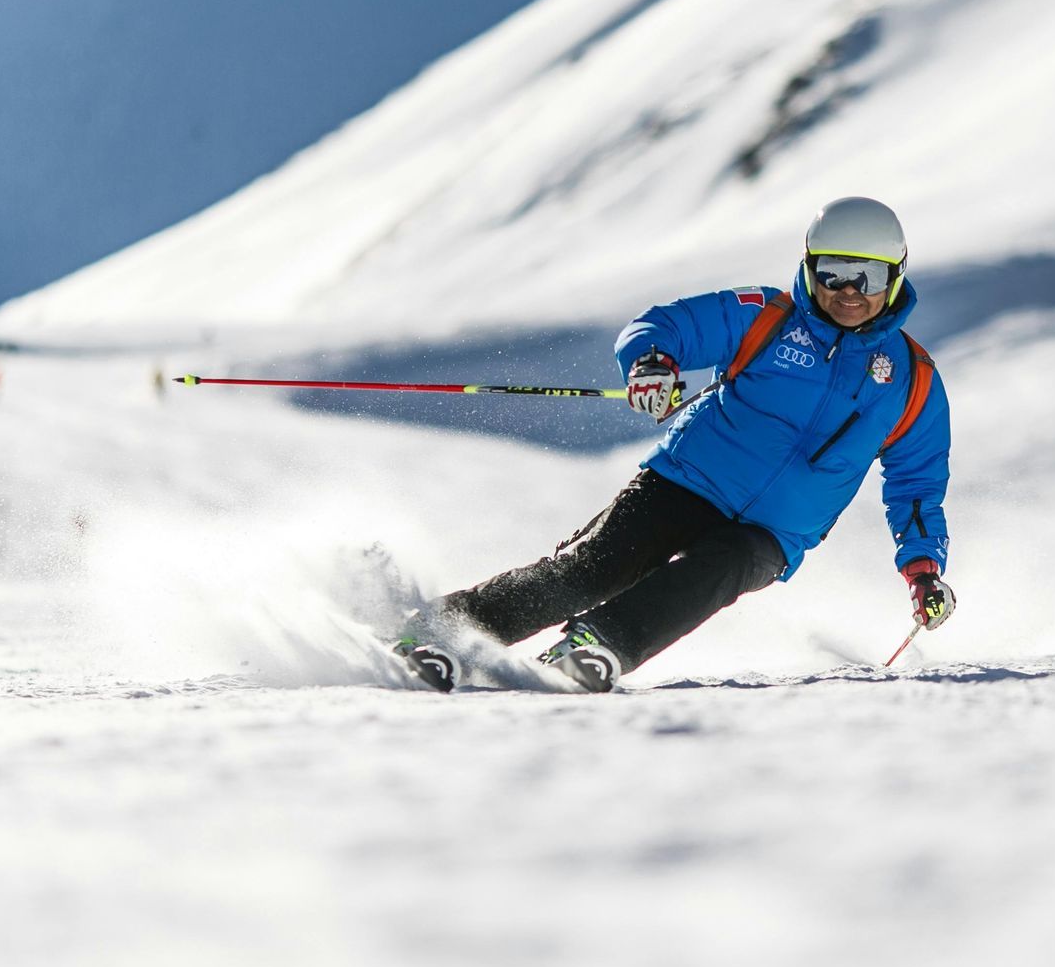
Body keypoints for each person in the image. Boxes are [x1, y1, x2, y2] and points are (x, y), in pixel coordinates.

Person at [399, 196, 955, 692]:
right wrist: (651, 365)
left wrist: (924, 570)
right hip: (686, 481)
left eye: (867, 276)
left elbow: (916, 485)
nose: (849, 292)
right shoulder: (766, 316)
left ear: (895, 277)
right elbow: (666, 326)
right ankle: (439, 631)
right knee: (592, 568)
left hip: (774, 532)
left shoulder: (913, 380)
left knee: (722, 568)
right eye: (833, 273)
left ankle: (597, 646)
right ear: (810, 269)